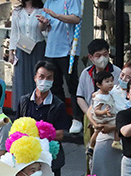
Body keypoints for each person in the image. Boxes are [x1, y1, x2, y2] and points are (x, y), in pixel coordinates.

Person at [16, 62, 70, 176]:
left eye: (49, 78)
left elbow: (60, 134)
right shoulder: (24, 101)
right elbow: (17, 126)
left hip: (50, 156)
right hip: (28, 154)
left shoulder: (57, 105)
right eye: (41, 76)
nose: (44, 81)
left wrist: (39, 133)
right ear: (35, 77)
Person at [39, 0, 83, 134]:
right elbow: (42, 28)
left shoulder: (70, 1)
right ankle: (61, 116)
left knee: (72, 84)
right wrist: (43, 22)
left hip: (68, 50)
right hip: (51, 50)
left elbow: (76, 18)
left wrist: (56, 15)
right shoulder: (48, 3)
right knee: (54, 85)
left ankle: (77, 118)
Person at [8, 0, 47, 114]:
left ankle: (38, 108)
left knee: (37, 77)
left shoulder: (42, 10)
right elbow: (14, 32)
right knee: (21, 78)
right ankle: (22, 109)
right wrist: (11, 52)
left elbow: (44, 31)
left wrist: (43, 24)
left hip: (38, 47)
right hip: (22, 48)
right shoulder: (17, 12)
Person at [75, 38, 121, 126]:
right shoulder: (86, 73)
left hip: (110, 117)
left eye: (105, 54)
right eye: (98, 56)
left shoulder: (117, 72)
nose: (102, 58)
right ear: (91, 57)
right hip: (90, 115)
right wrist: (90, 114)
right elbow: (80, 97)